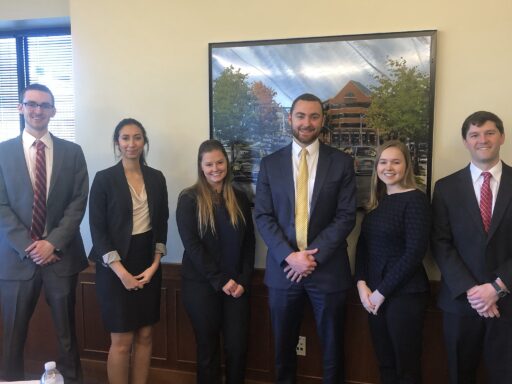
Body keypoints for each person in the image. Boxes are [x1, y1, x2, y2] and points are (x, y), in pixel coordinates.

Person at [254, 93, 356, 383]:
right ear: (290, 118)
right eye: (300, 116)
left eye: (314, 116)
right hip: (283, 271)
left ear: (322, 121)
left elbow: (346, 216)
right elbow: (263, 216)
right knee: (283, 349)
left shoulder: (341, 163)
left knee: (333, 348)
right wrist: (290, 256)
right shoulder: (270, 164)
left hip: (328, 271)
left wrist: (311, 257)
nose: (306, 123)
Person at [0, 83, 88, 383]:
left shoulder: (72, 152)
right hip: (15, 261)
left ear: (53, 110)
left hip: (61, 258)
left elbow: (78, 202)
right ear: (20, 107)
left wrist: (52, 243)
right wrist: (29, 246)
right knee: (13, 337)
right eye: (31, 104)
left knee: (67, 336)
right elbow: (0, 206)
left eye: (44, 105)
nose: (38, 110)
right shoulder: (1, 153)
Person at [432, 111, 512, 383]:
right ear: (465, 141)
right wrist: (473, 291)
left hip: (508, 303)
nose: (482, 140)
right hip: (460, 303)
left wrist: (497, 287)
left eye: (489, 133)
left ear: (501, 136)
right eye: (474, 135)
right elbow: (440, 243)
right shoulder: (445, 188)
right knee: (459, 375)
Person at [88, 118, 168, 384]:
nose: (131, 143)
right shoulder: (104, 179)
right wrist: (121, 272)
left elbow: (161, 224)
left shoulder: (156, 178)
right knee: (122, 339)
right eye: (125, 138)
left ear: (144, 141)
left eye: (137, 137)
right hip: (114, 265)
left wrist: (156, 264)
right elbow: (98, 232)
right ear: (117, 142)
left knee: (145, 335)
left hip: (147, 262)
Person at [176, 139, 255, 384]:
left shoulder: (240, 198)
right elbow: (193, 246)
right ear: (201, 167)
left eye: (219, 162)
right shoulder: (188, 199)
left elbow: (249, 243)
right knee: (208, 349)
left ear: (227, 163)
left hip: (237, 288)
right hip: (201, 287)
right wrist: (221, 280)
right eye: (209, 164)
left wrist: (243, 280)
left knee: (237, 348)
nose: (215, 168)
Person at [355, 140, 430, 384]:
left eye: (396, 162)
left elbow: (414, 253)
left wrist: (381, 292)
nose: (389, 167)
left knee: (406, 367)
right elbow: (363, 247)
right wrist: (361, 284)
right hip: (373, 294)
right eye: (383, 162)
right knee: (385, 363)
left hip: (405, 295)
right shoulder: (376, 203)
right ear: (377, 167)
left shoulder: (416, 201)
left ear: (406, 166)